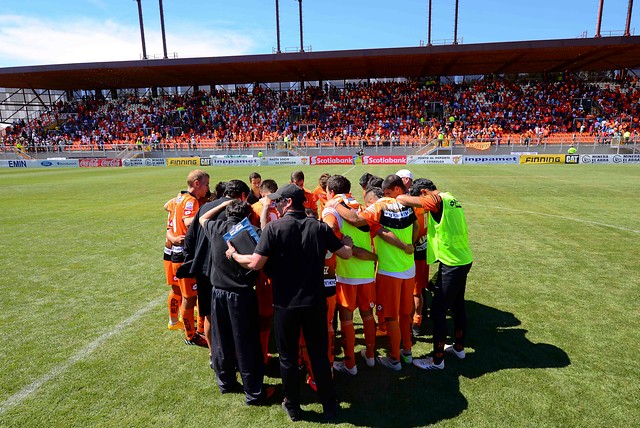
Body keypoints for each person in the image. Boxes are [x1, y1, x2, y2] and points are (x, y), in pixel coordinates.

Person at [228, 184, 353, 422]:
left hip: (285, 303)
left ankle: (294, 407)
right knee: (318, 354)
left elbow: (256, 264)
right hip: (314, 301)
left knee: (287, 357)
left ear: (287, 203)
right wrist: (347, 241)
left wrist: (233, 255)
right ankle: (329, 404)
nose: (275, 204)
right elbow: (345, 253)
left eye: (277, 202)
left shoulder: (274, 228)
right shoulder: (319, 227)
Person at [328, 175, 417, 371]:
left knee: (388, 316)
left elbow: (356, 219)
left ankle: (391, 359)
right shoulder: (405, 204)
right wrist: (407, 246)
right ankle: (406, 352)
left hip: (385, 271)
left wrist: (334, 203)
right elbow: (414, 227)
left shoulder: (377, 208)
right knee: (402, 314)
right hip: (407, 268)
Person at [199, 200, 273, 405]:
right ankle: (254, 392)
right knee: (247, 343)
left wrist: (224, 205)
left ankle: (226, 382)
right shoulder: (252, 231)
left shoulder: (215, 227)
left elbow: (202, 217)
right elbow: (265, 251)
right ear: (247, 216)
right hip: (241, 295)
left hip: (218, 293)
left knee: (221, 339)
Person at [396, 179, 473, 370]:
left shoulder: (437, 200)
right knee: (457, 305)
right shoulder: (451, 198)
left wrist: (399, 196)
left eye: (420, 197)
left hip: (453, 263)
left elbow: (405, 200)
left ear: (424, 191)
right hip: (461, 259)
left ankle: (437, 360)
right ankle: (459, 348)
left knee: (438, 310)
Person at [183, 180, 250, 354]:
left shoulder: (205, 207)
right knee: (230, 315)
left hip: (203, 268)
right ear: (242, 196)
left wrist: (193, 261)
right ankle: (233, 354)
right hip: (224, 270)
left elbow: (189, 239)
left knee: (208, 315)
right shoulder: (238, 210)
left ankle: (214, 355)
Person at [169, 169, 210, 347]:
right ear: (196, 184)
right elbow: (188, 222)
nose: (207, 189)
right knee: (189, 297)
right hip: (184, 254)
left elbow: (167, 208)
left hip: (177, 252)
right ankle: (190, 335)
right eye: (206, 184)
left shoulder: (179, 198)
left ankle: (195, 329)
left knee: (191, 295)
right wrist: (208, 215)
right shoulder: (191, 201)